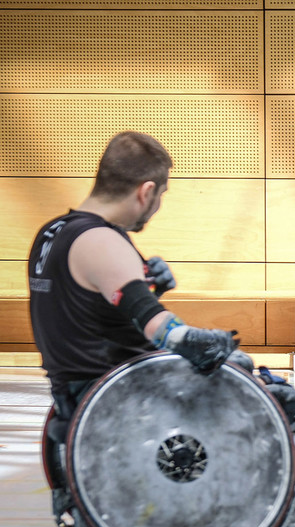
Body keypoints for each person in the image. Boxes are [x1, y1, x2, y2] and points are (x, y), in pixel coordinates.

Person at [27, 131, 240, 486]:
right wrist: (213, 342)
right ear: (146, 191)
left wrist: (151, 284)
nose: (157, 206)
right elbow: (163, 331)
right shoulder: (101, 241)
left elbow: (87, 304)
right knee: (250, 375)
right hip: (126, 391)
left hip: (73, 388)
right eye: (161, 195)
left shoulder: (52, 233)